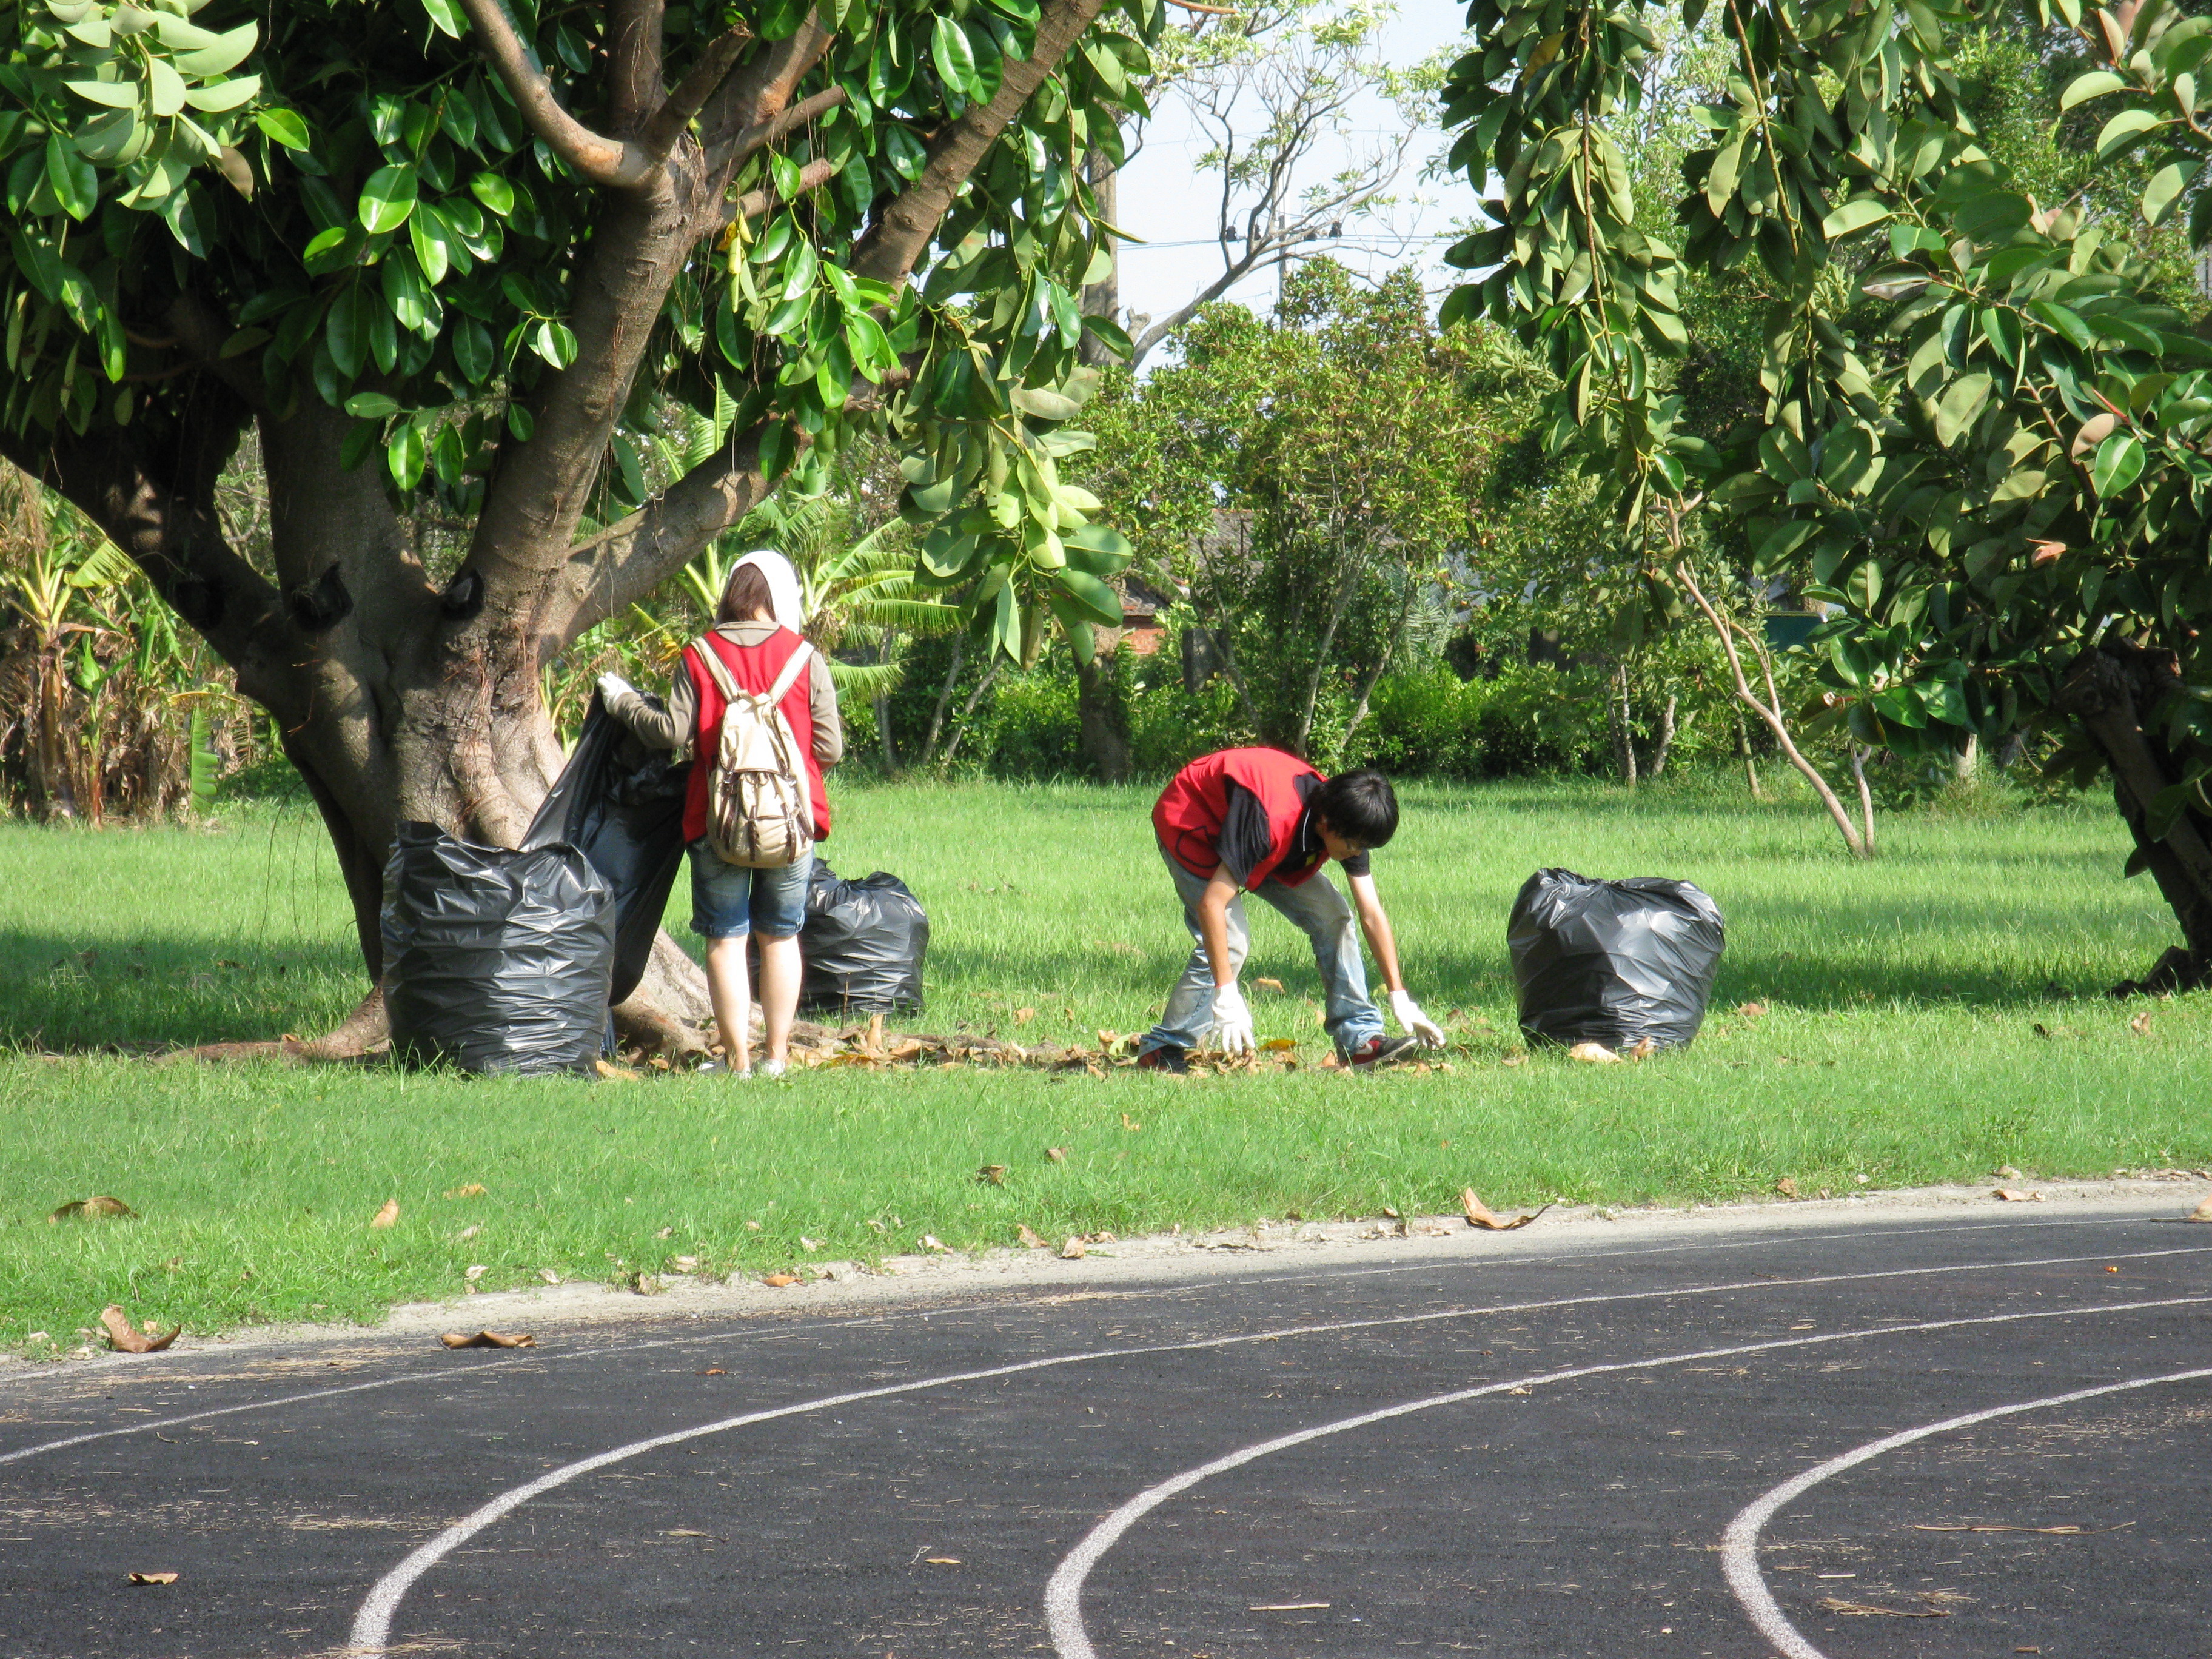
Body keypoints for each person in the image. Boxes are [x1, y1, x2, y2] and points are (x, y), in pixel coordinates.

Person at [596, 551, 840, 1078]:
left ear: (731, 594)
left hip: (716, 822)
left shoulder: (701, 655)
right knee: (779, 936)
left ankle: (739, 1062)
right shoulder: (804, 656)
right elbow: (831, 747)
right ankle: (777, 1057)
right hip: (791, 824)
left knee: (726, 939)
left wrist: (622, 702)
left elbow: (670, 734)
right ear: (778, 598)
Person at [1137, 747, 1446, 1073]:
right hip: (1193, 818)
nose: (1356, 853)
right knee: (1231, 942)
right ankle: (1164, 1047)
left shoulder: (1349, 815)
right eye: (1353, 845)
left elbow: (1370, 912)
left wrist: (1399, 995)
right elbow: (1212, 903)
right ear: (1326, 823)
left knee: (1335, 918)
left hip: (1263, 836)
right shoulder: (1269, 822)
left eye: (1363, 847)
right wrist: (1226, 995)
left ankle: (1360, 1041)